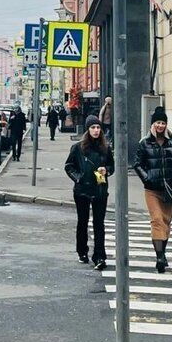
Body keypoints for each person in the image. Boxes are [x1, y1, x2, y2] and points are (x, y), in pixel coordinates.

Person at [133, 106, 172, 274]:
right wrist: (146, 178)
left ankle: (163, 252)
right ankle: (159, 257)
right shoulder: (145, 142)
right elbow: (137, 164)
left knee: (166, 222)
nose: (160, 126)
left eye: (163, 123)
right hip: (152, 189)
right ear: (152, 124)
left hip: (171, 188)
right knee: (157, 219)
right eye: (157, 122)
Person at [64, 115, 115, 270]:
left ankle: (99, 256)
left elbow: (112, 166)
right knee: (83, 222)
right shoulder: (78, 148)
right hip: (82, 190)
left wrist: (106, 170)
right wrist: (78, 178)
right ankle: (82, 252)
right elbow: (69, 166)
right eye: (93, 127)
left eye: (98, 127)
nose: (96, 130)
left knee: (99, 223)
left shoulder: (106, 148)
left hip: (100, 189)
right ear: (88, 130)